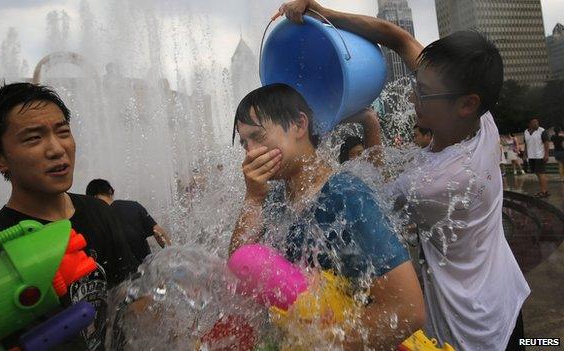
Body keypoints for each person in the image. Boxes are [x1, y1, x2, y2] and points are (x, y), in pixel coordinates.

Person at [278, 1, 530, 350]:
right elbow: (396, 37)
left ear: (466, 103)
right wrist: (322, 13)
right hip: (506, 294)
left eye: (423, 93)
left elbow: (366, 196)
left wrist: (370, 124)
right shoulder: (482, 122)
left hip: (474, 327)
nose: (412, 95)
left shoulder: (440, 184)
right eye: (416, 83)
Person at [229, 84, 425, 350]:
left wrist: (319, 342)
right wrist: (253, 198)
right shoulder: (274, 197)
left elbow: (408, 310)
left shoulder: (344, 195)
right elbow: (239, 268)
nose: (250, 153)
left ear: (299, 125)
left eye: (258, 137)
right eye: (244, 143)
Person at [0, 82, 139, 350]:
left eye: (63, 132)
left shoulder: (98, 211)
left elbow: (130, 294)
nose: (57, 149)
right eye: (34, 138)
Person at [85, 178, 171, 262]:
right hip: (143, 270)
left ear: (92, 198)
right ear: (111, 191)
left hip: (114, 274)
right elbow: (158, 232)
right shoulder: (134, 207)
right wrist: (170, 255)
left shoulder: (93, 219)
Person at [524, 118, 550, 197]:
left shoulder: (542, 131)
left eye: (537, 122)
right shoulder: (526, 132)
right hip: (531, 156)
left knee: (541, 173)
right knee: (538, 173)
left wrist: (546, 154)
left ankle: (544, 191)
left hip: (540, 156)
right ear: (530, 124)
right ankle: (545, 190)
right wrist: (525, 154)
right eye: (534, 122)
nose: (536, 124)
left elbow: (546, 143)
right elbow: (526, 144)